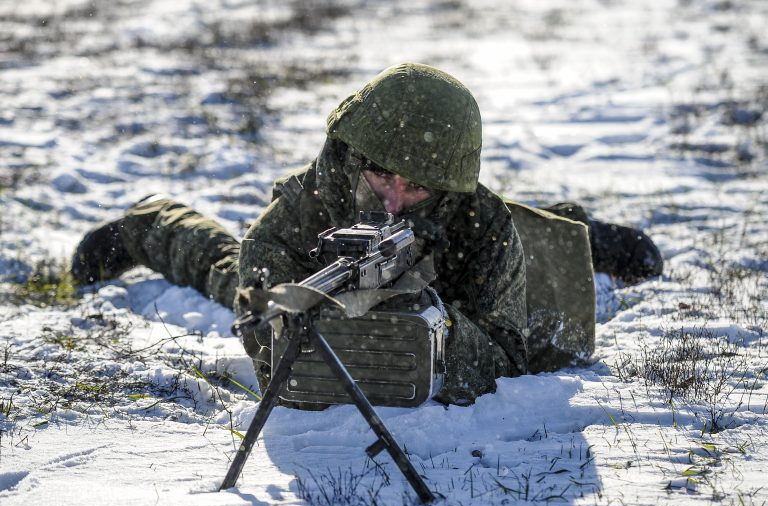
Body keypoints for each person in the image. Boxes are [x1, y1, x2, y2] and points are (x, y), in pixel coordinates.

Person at [71, 63, 662, 405]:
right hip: (317, 279)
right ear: (355, 157)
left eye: (419, 188)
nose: (395, 200)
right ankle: (150, 223)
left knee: (548, 275)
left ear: (445, 188)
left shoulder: (480, 221)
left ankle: (571, 225)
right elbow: (255, 316)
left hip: (461, 284)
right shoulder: (309, 203)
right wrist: (313, 312)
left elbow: (507, 357)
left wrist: (432, 324)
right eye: (382, 175)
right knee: (227, 273)